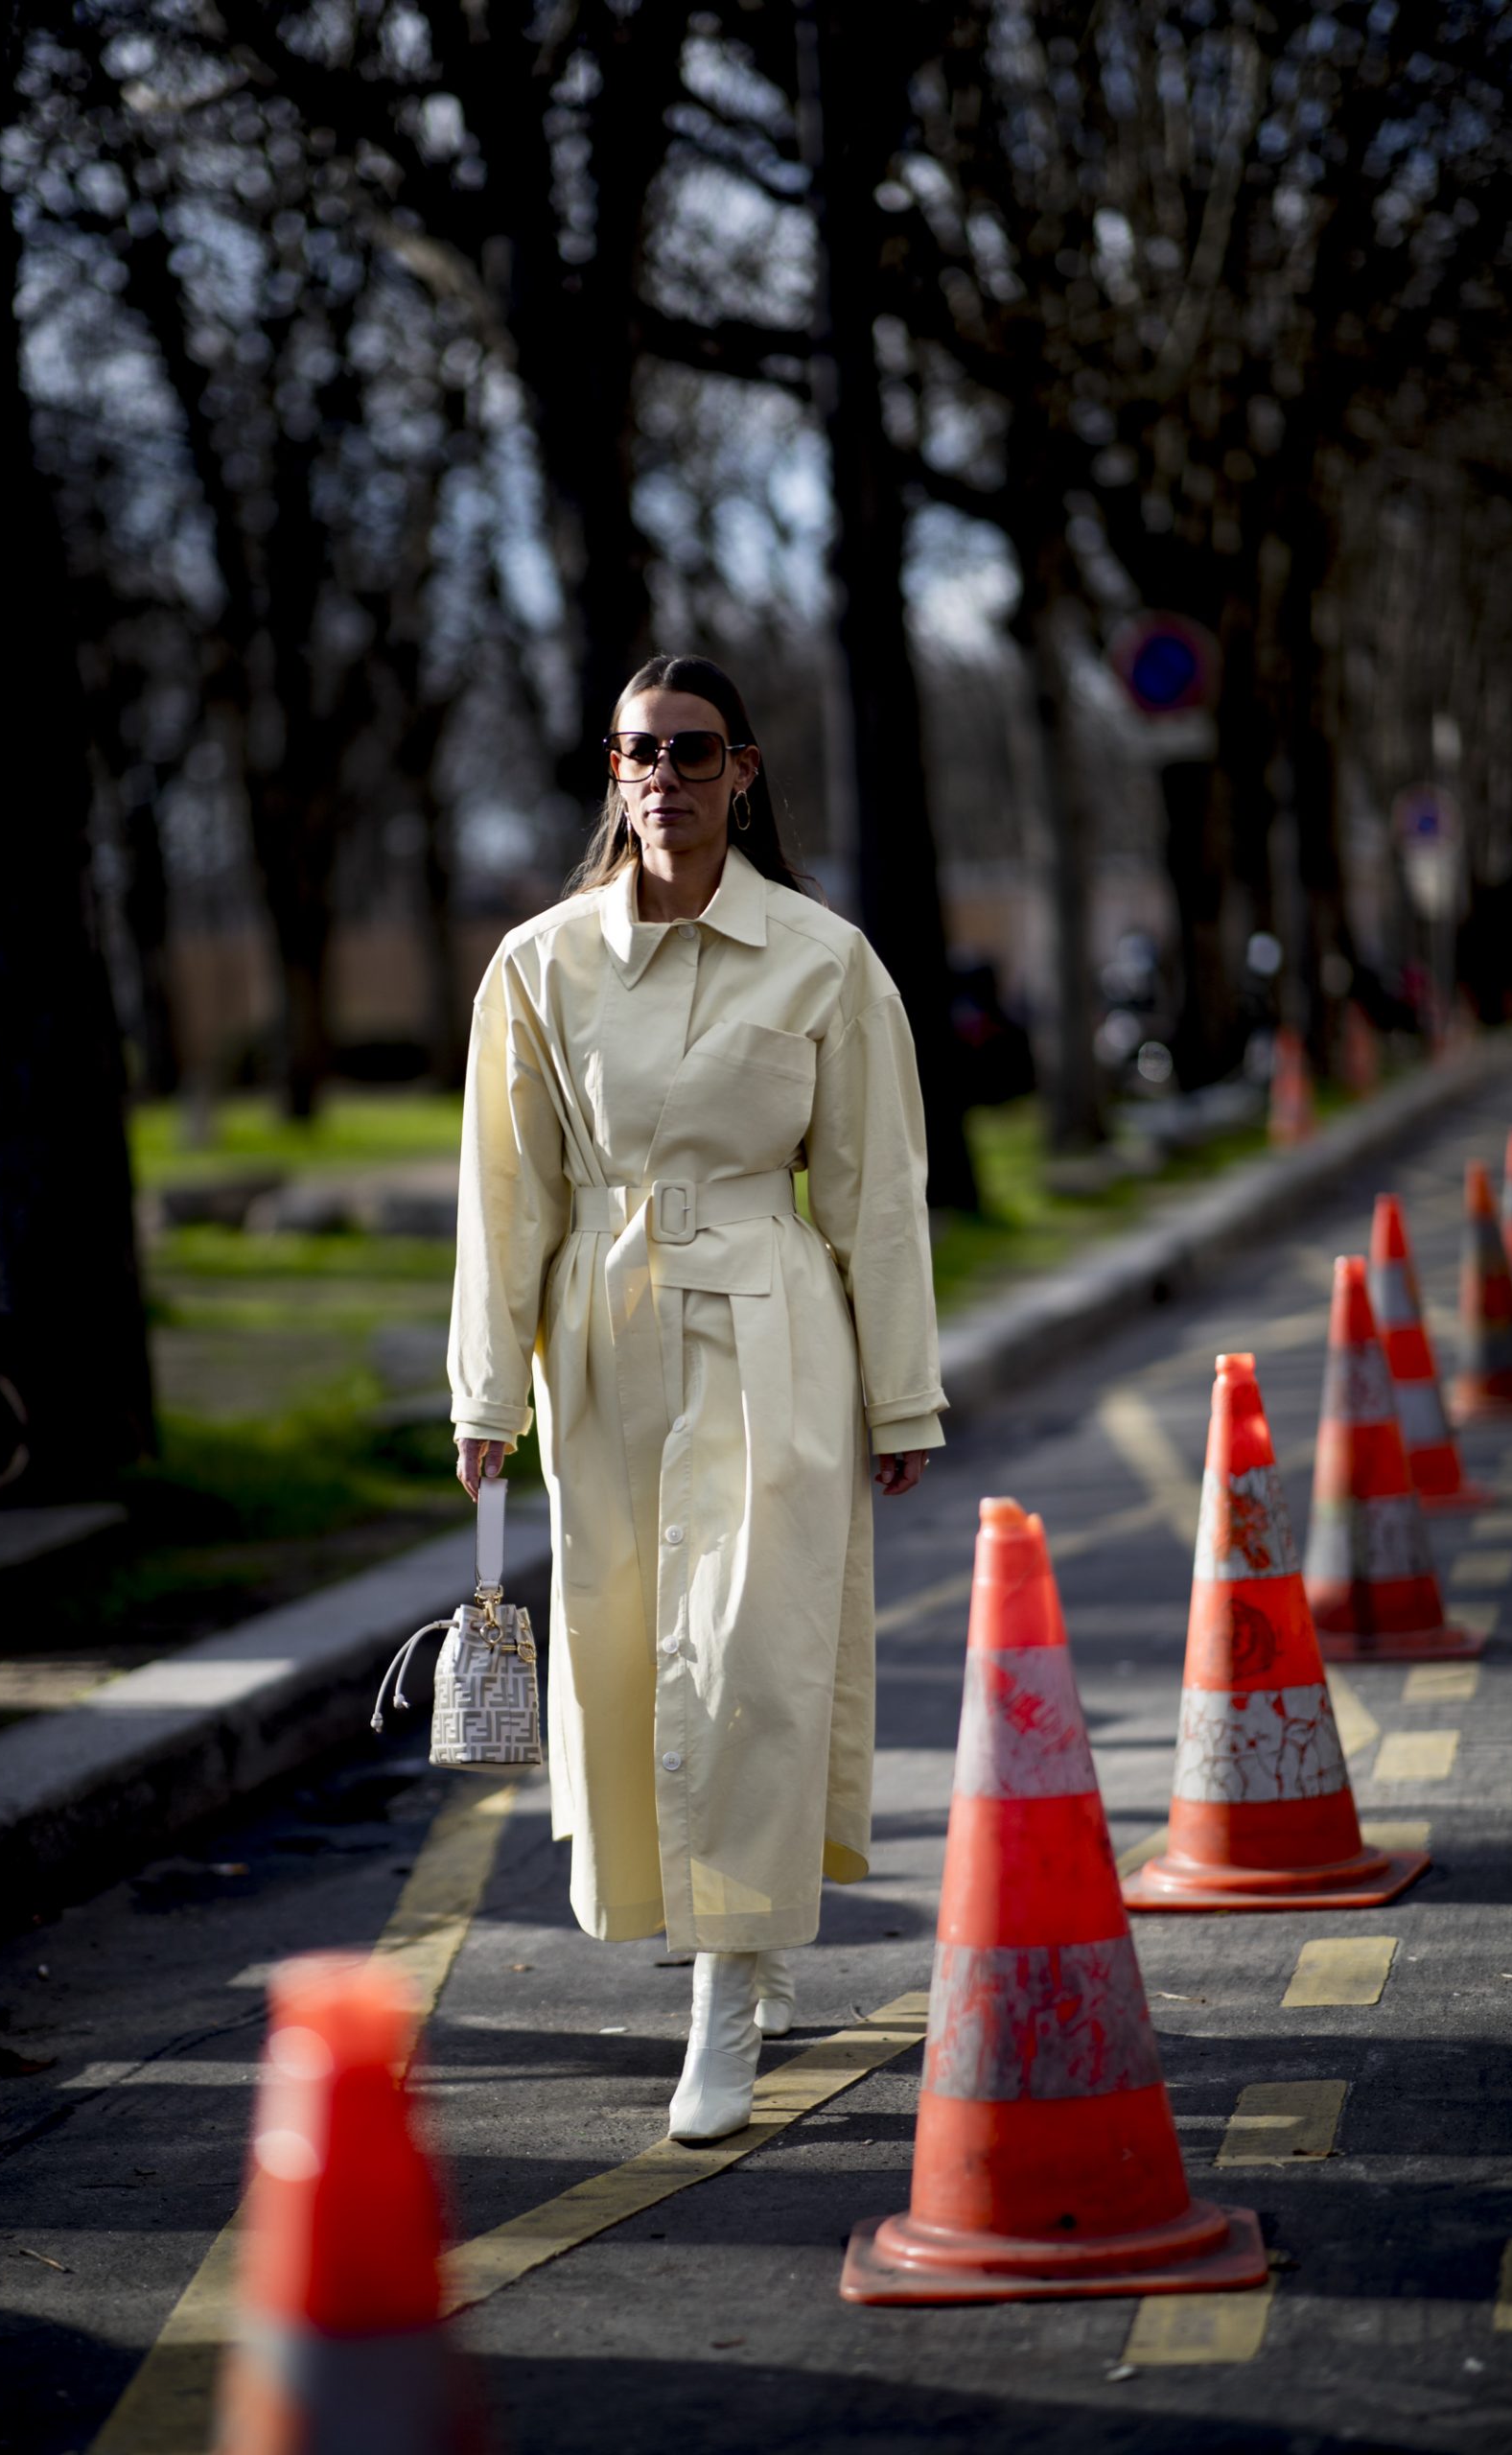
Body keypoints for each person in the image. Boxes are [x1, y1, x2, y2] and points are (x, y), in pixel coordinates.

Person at [450, 653, 945, 2142]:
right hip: (600, 1343)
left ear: (746, 770)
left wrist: (903, 1396)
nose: (665, 776)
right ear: (613, 773)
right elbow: (503, 1196)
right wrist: (487, 1391)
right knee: (625, 1662)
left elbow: (881, 1193)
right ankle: (741, 1935)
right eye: (638, 752)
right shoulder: (538, 966)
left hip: (775, 1330)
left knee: (750, 1655)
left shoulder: (825, 958)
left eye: (695, 750)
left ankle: (722, 2006)